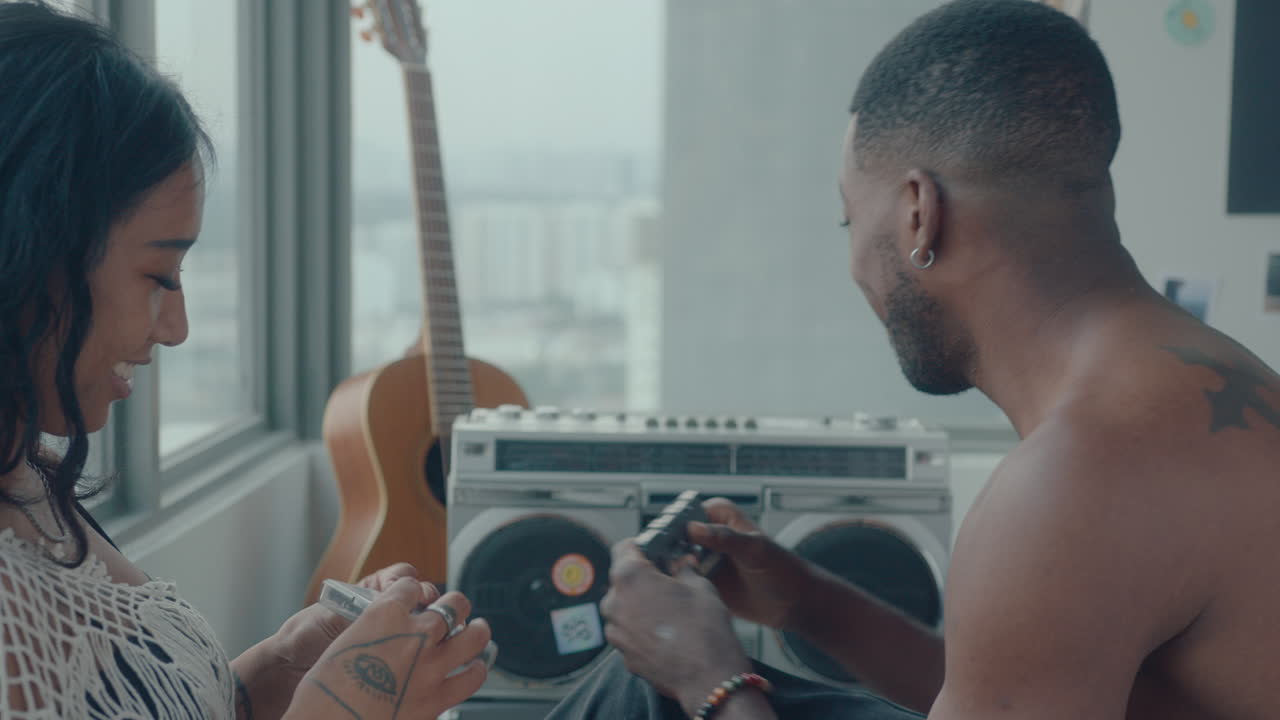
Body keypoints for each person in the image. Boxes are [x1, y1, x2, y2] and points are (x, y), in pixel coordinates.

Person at [546, 0, 1280, 718]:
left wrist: (710, 679)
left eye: (849, 219)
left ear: (918, 212)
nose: (855, 261)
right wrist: (811, 603)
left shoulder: (1076, 481)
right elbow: (1024, 684)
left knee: (642, 693)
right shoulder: (1209, 380)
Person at [0, 2, 489, 718]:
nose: (178, 329)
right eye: (159, 277)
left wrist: (289, 663)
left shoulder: (29, 476)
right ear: (27, 256)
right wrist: (343, 709)